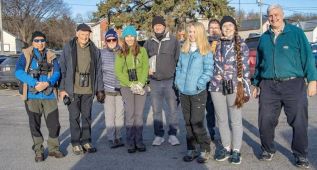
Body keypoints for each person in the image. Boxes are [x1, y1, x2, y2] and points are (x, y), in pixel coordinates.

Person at [251, 4, 317, 169]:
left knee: (299, 121)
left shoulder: (296, 33)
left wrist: (313, 80)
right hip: (268, 85)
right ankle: (268, 149)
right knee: (265, 119)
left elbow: (308, 57)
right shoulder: (264, 37)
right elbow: (260, 63)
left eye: (276, 14)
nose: (273, 18)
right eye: (270, 15)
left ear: (282, 14)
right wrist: (256, 83)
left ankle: (300, 155)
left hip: (294, 83)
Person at [15, 31, 64, 162]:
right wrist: (34, 83)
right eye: (37, 40)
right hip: (32, 95)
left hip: (49, 96)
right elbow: (19, 72)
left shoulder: (51, 55)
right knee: (34, 125)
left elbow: (57, 72)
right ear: (32, 42)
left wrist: (48, 83)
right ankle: (39, 151)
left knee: (54, 124)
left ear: (45, 42)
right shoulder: (25, 55)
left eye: (42, 40)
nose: (40, 43)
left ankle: (54, 149)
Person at [59, 23, 105, 155]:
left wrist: (99, 89)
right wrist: (62, 89)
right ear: (77, 34)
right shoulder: (69, 47)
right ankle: (75, 143)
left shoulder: (95, 50)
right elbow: (63, 69)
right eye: (82, 34)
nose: (85, 37)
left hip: (88, 90)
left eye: (87, 34)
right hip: (72, 90)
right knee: (74, 117)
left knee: (87, 117)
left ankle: (86, 141)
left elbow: (99, 71)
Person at [210, 16, 250, 165]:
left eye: (229, 25)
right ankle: (226, 147)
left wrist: (245, 89)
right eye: (224, 26)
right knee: (221, 119)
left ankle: (236, 150)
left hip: (234, 86)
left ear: (234, 27)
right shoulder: (215, 44)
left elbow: (245, 70)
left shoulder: (242, 45)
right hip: (216, 86)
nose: (227, 28)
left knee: (235, 119)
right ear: (221, 29)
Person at [175, 22, 213, 163]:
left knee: (196, 122)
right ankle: (192, 148)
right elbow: (178, 67)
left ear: (200, 33)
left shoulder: (205, 51)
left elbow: (208, 70)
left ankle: (205, 148)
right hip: (184, 92)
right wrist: (178, 82)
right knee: (187, 123)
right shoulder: (184, 49)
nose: (191, 34)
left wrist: (200, 83)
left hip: (198, 92)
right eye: (189, 31)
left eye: (193, 32)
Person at [144, 16, 181, 146]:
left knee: (172, 109)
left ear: (164, 26)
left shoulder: (173, 41)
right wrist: (147, 70)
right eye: (155, 25)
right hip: (154, 82)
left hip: (170, 81)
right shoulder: (149, 42)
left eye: (160, 25)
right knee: (156, 110)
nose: (158, 27)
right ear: (153, 27)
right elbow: (144, 60)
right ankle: (158, 135)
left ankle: (172, 134)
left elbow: (178, 60)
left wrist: (177, 78)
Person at [115, 25, 149, 153]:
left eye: (131, 36)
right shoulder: (120, 52)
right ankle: (130, 142)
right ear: (124, 38)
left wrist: (140, 83)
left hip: (140, 86)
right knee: (130, 115)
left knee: (139, 115)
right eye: (127, 36)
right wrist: (130, 84)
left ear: (135, 37)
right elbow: (118, 71)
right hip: (127, 87)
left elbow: (145, 67)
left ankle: (139, 141)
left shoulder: (142, 51)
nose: (129, 38)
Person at [101, 28, 124, 148]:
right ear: (105, 41)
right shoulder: (102, 53)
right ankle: (111, 137)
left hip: (121, 89)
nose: (111, 42)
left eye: (113, 39)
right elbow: (99, 72)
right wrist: (99, 89)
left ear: (117, 39)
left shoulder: (123, 52)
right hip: (107, 89)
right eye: (108, 40)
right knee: (109, 115)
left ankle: (118, 136)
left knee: (119, 115)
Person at [206, 19, 221, 141]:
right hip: (207, 81)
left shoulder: (224, 42)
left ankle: (223, 133)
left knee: (222, 110)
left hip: (221, 82)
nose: (214, 30)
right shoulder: (204, 43)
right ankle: (211, 131)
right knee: (209, 108)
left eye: (216, 27)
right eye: (211, 27)